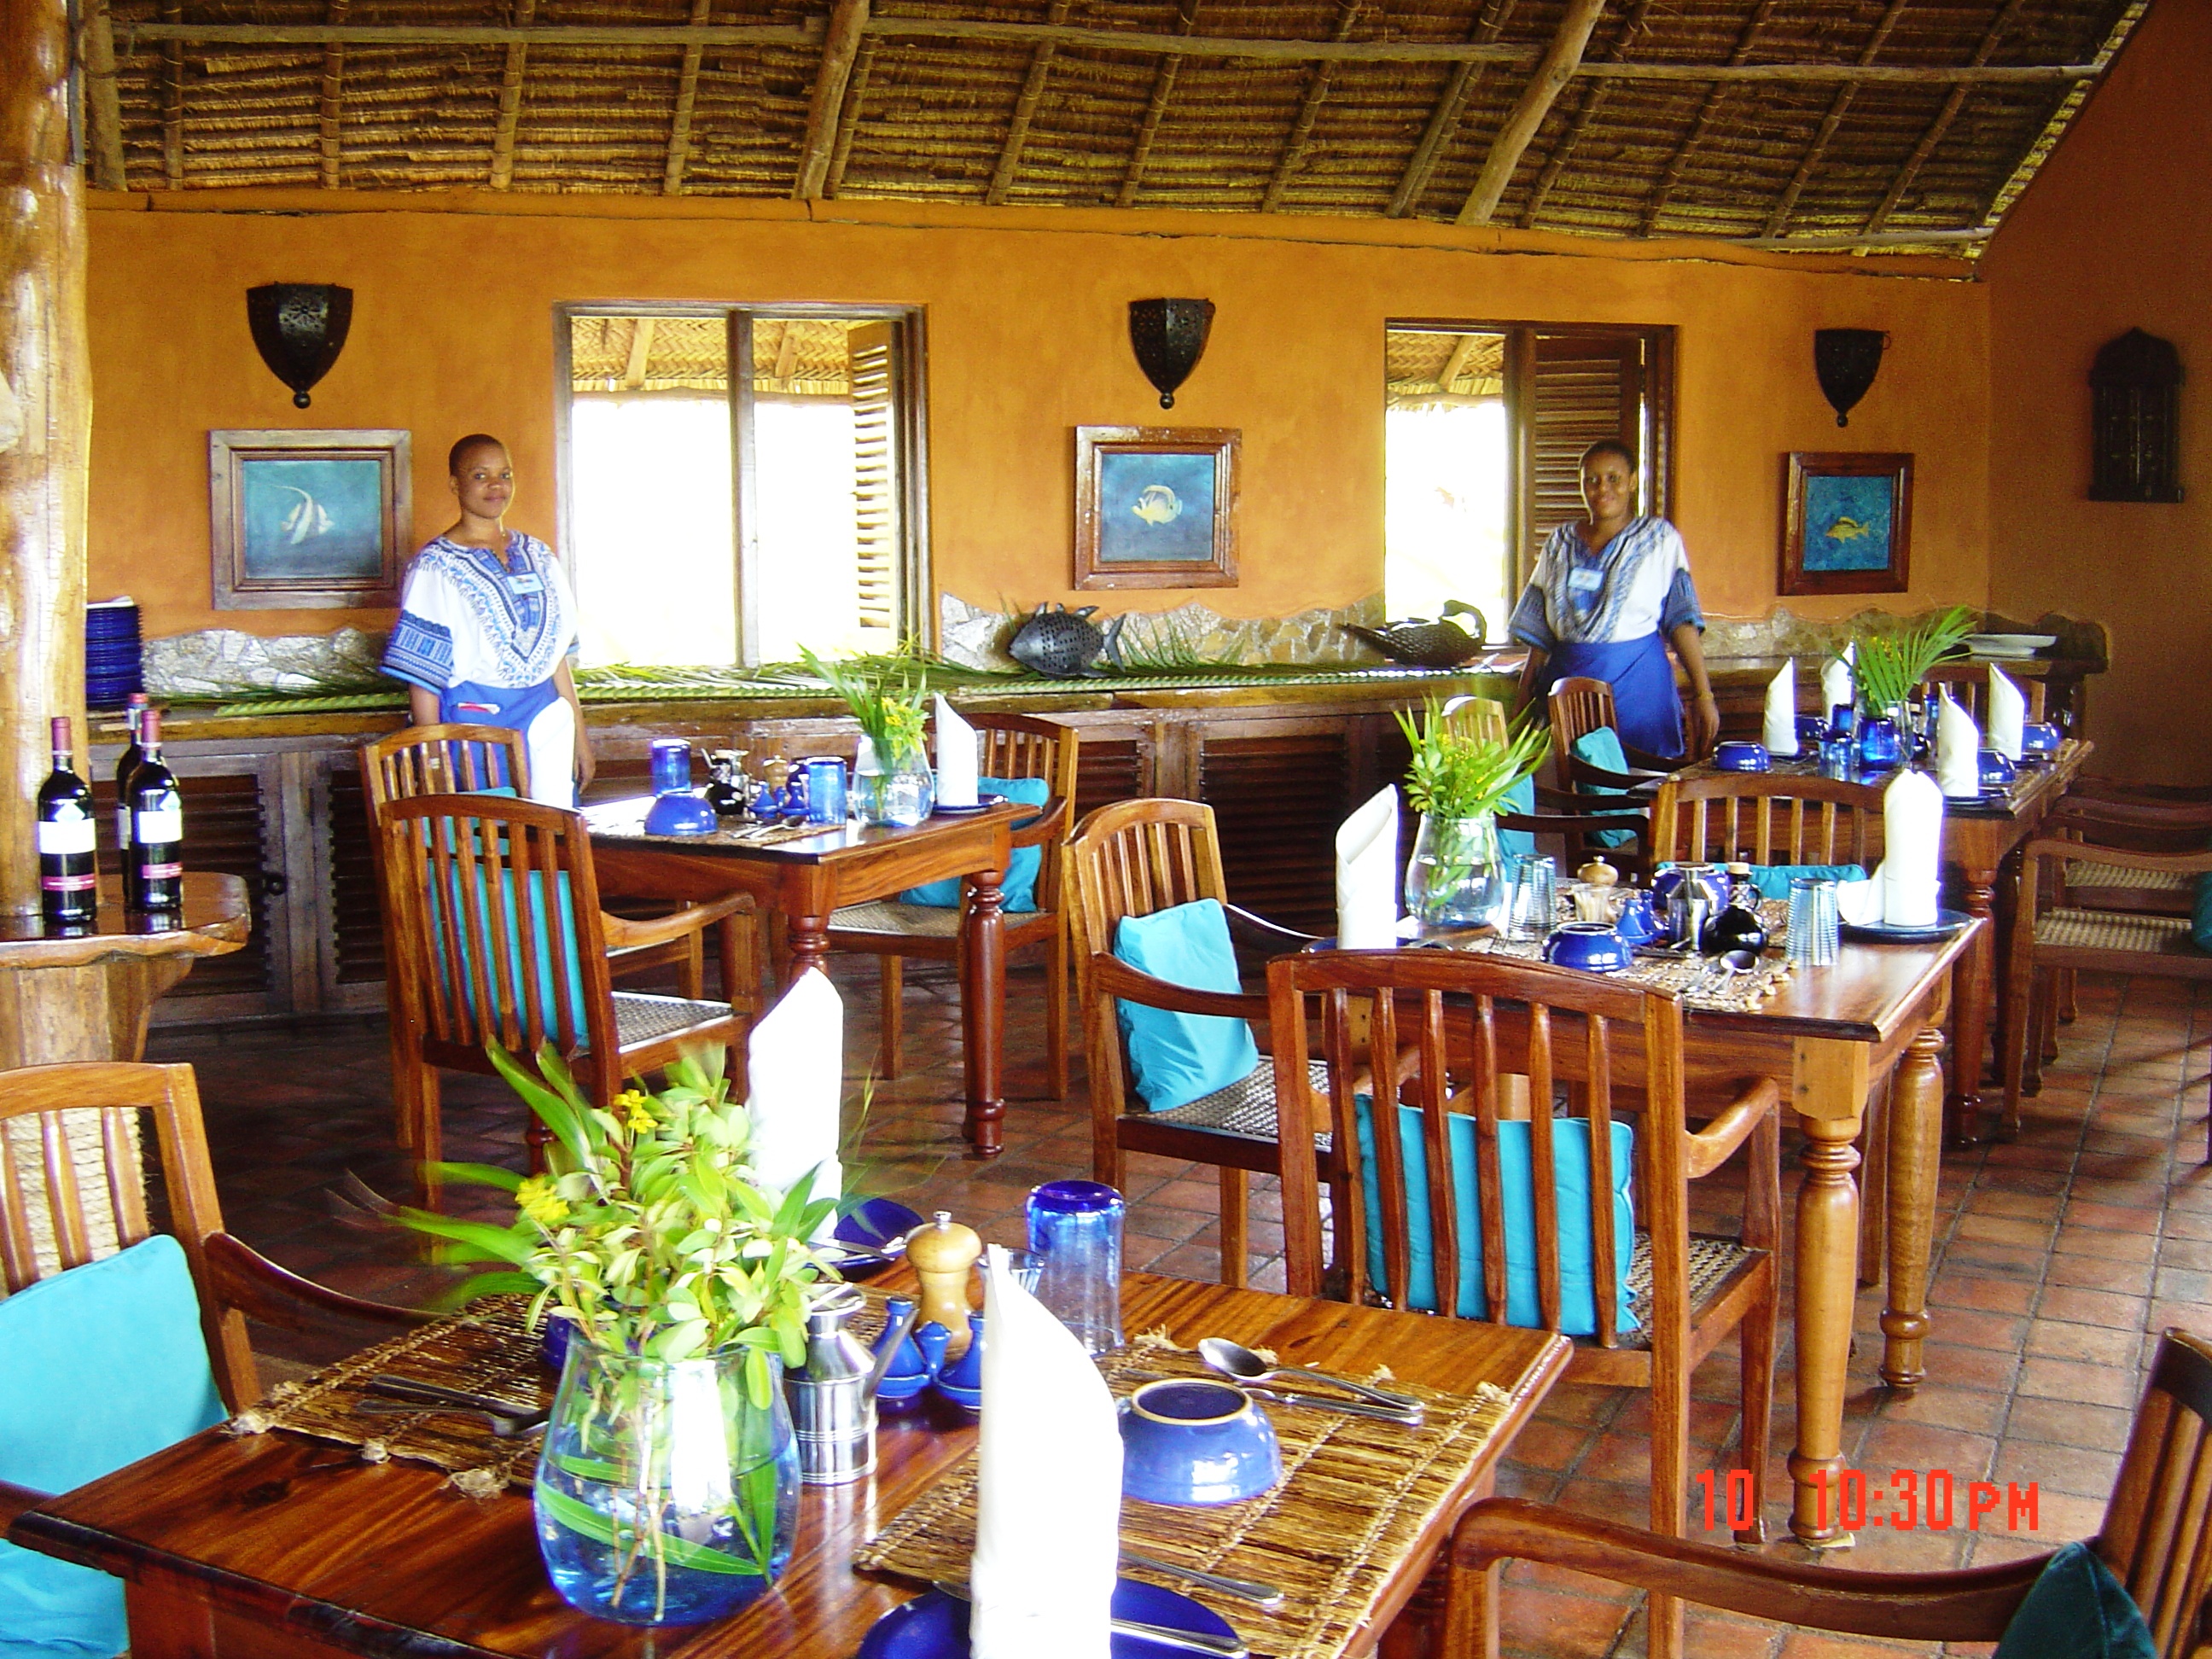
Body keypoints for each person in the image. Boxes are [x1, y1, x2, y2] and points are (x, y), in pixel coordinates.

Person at [380, 434, 595, 806]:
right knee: (485, 832)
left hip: (546, 722)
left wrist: (580, 737)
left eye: (504, 475)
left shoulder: (538, 556)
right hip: (474, 730)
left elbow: (555, 656)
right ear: (455, 485)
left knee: (553, 832)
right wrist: (434, 758)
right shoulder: (436, 566)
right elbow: (423, 675)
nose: (496, 486)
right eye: (480, 476)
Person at [1507, 439, 1718, 759]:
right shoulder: (1559, 543)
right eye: (1591, 480)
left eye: (1613, 478)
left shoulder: (1659, 540)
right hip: (1567, 692)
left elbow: (1681, 623)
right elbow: (1540, 637)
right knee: (1572, 779)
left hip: (1639, 689)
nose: (1602, 488)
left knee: (1640, 782)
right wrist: (1522, 705)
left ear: (1632, 481)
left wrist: (1704, 695)